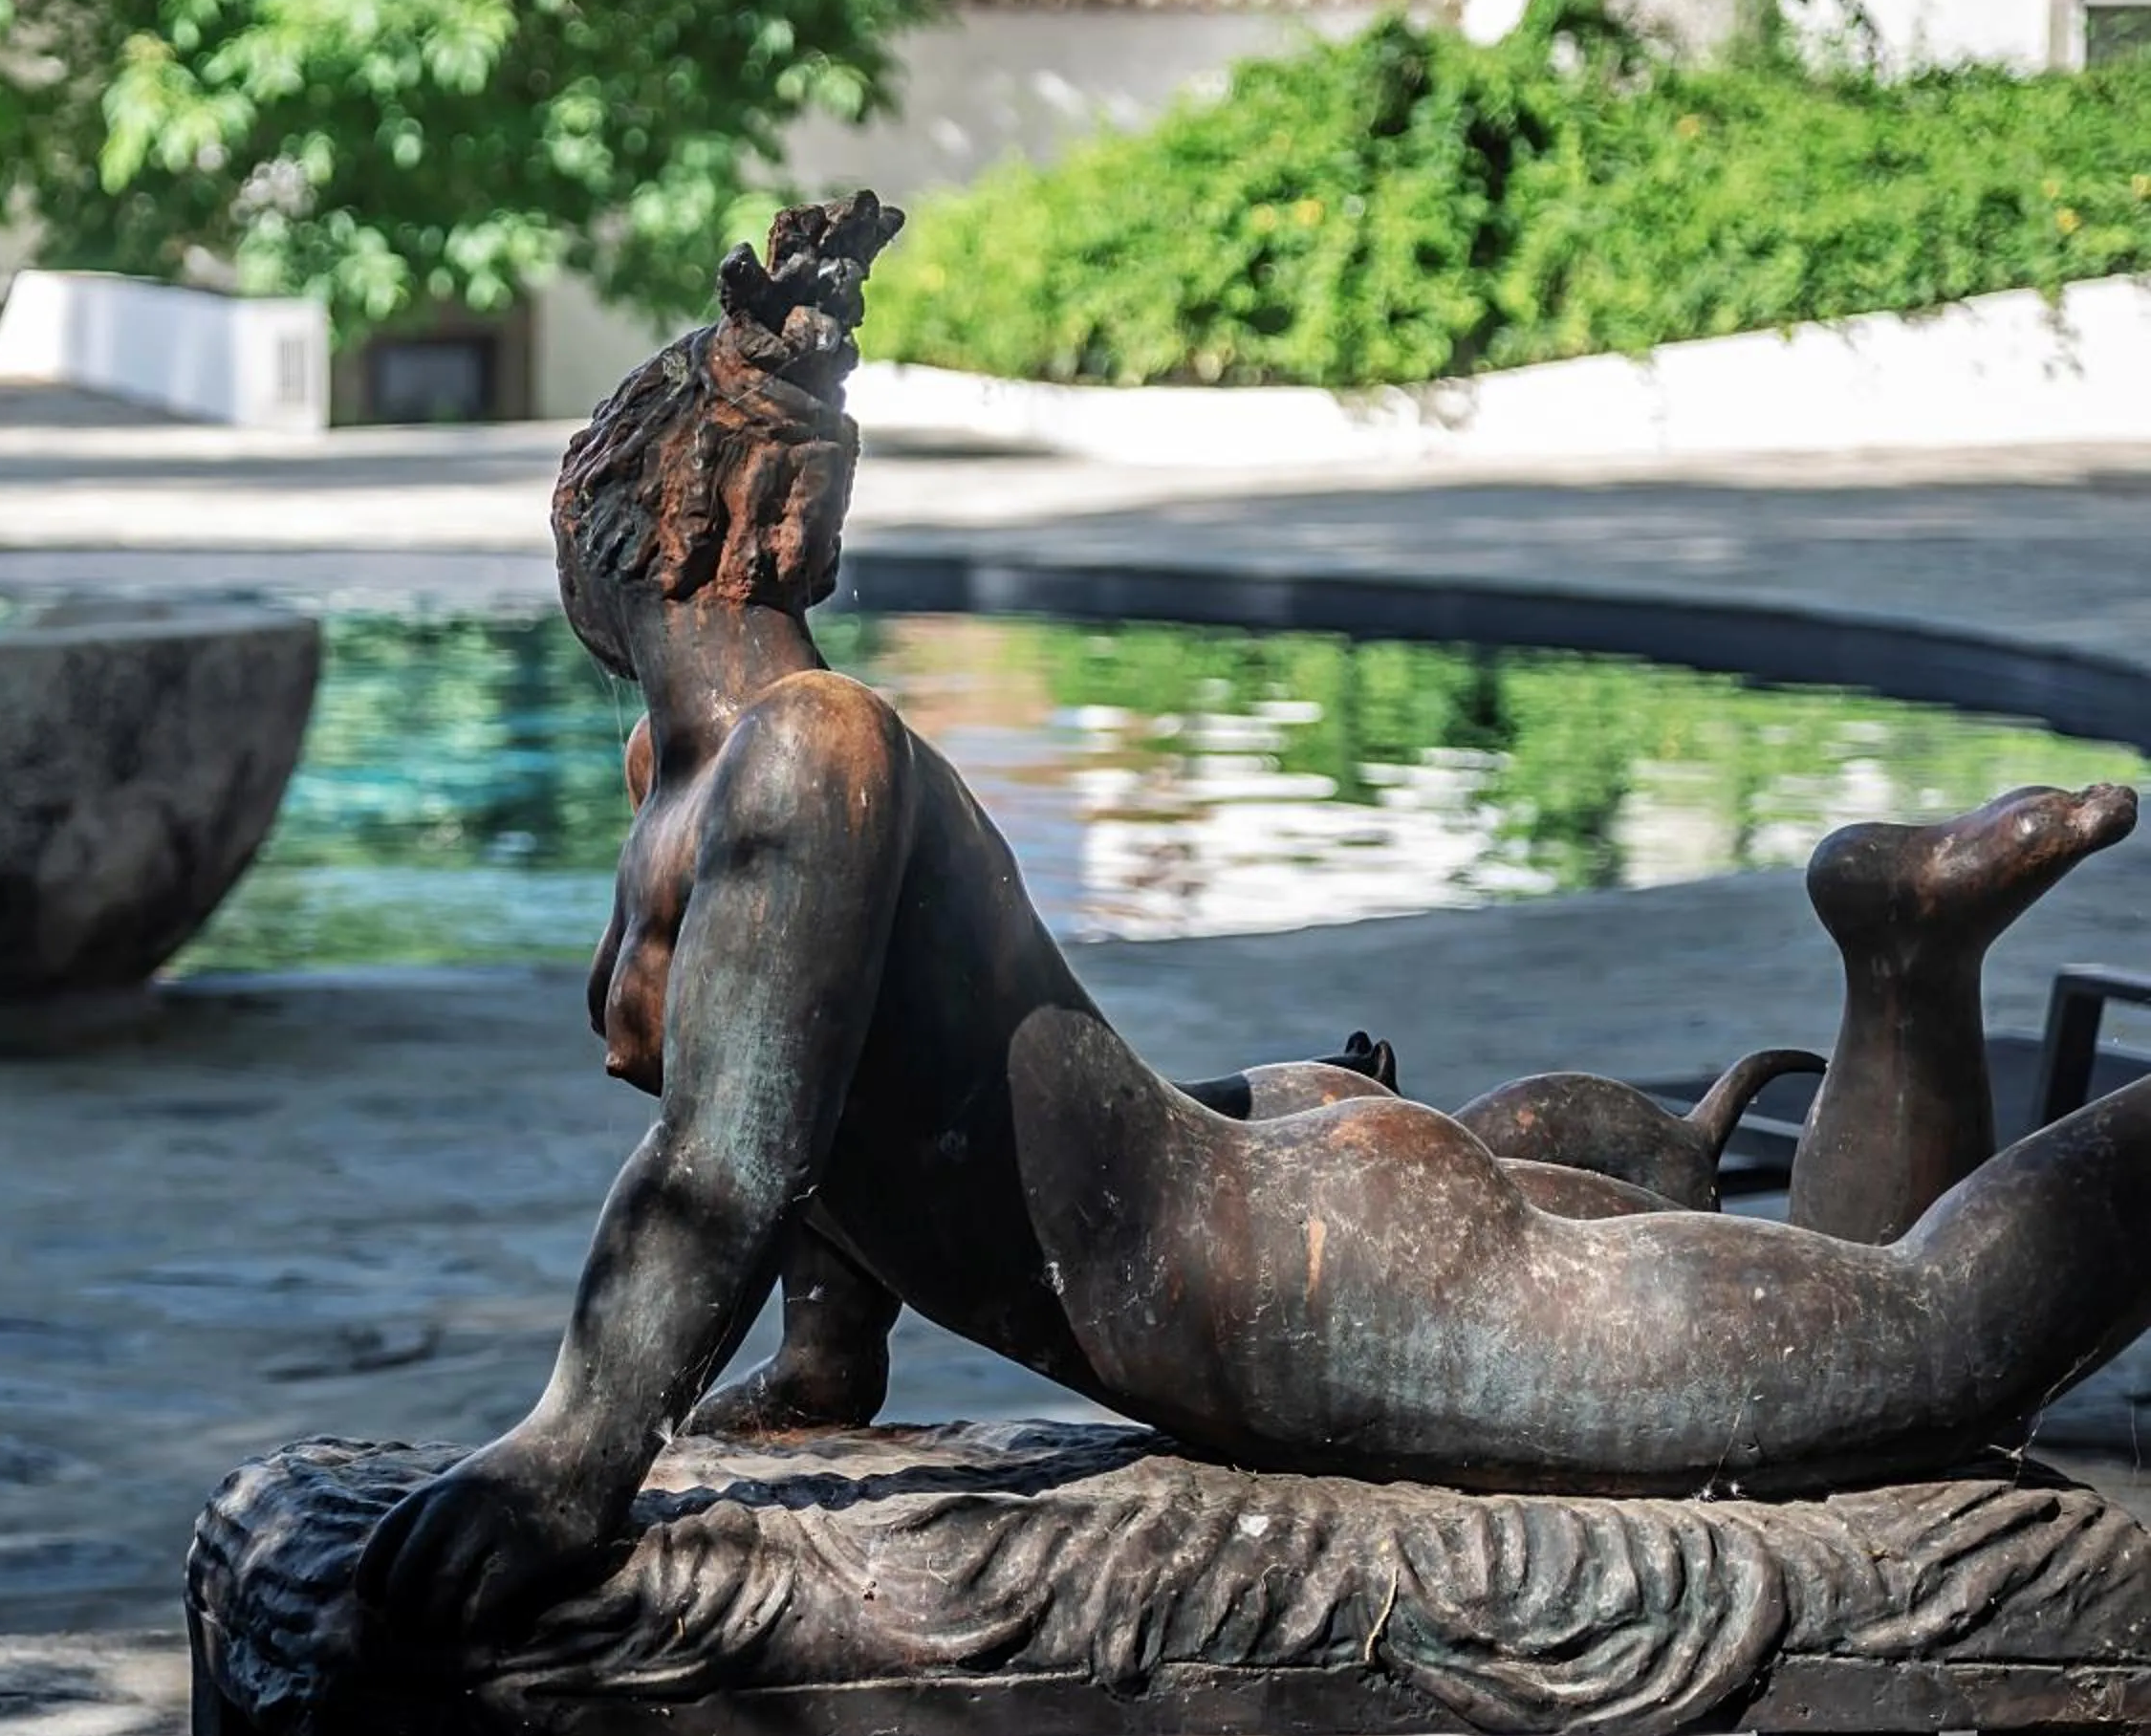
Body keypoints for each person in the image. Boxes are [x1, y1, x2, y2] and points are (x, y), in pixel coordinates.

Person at [357, 193, 2151, 1638]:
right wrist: (824, 1372)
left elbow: (729, 1164)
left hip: (1301, 1288)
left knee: (1929, 1345)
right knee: (1850, 1342)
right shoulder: (707, 771)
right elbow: (821, 1118)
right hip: (1262, 1194)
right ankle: (1906, 960)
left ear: (628, 520)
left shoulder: (803, 754)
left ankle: (1912, 959)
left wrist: (574, 1451)